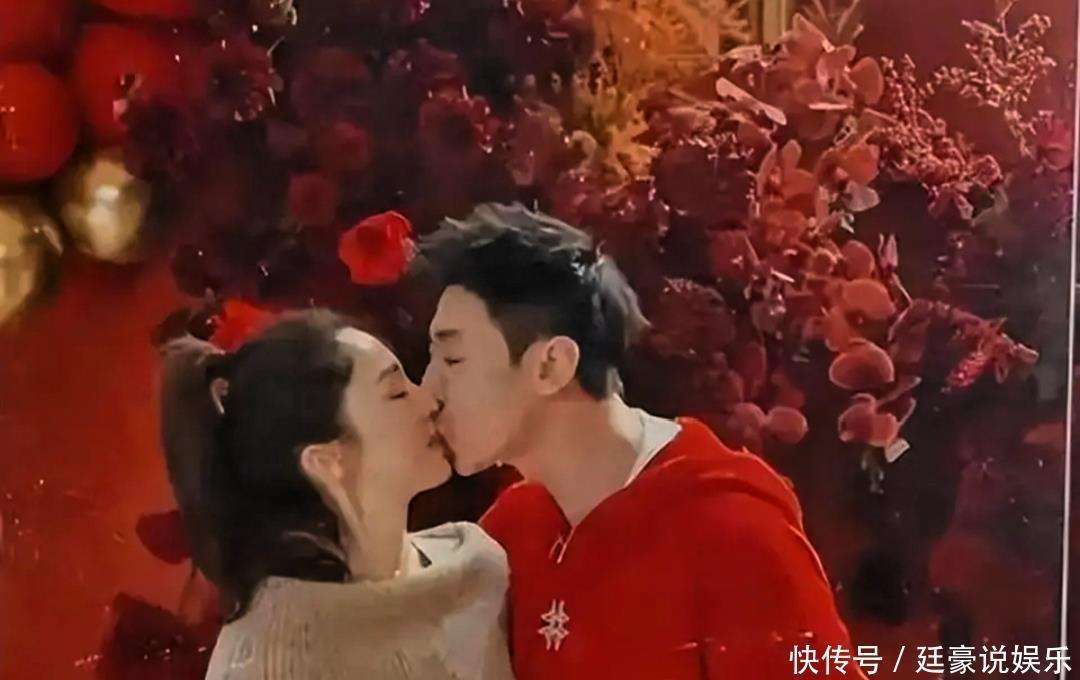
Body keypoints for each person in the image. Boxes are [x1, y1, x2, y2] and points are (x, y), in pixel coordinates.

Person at [418, 203, 864, 679]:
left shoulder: (731, 530)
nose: (428, 389)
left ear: (551, 365)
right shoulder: (511, 529)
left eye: (453, 360)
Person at [159, 310, 514, 680]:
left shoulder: (474, 569)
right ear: (328, 461)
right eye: (396, 393)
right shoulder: (270, 662)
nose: (429, 401)